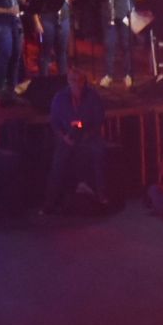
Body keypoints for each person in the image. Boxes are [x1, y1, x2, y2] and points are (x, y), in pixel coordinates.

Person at [40, 68, 108, 215]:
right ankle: (49, 203)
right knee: (58, 162)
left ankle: (101, 195)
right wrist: (63, 137)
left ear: (84, 81)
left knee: (98, 153)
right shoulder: (59, 98)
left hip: (89, 136)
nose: (76, 84)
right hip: (67, 137)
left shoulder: (92, 96)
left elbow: (99, 120)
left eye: (79, 80)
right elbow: (54, 122)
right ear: (68, 81)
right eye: (72, 80)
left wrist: (88, 133)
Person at [100, 0, 144, 89]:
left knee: (127, 46)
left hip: (126, 13)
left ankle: (128, 75)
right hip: (109, 13)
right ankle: (108, 75)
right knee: (109, 46)